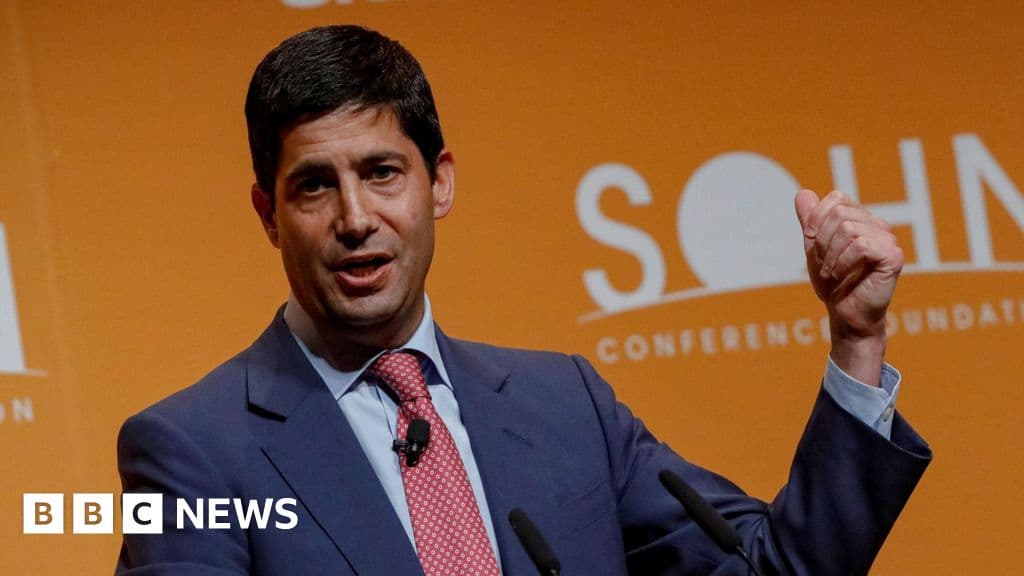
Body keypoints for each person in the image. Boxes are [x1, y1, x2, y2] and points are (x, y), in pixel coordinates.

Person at [116, 24, 931, 576]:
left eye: (382, 172)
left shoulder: (566, 405)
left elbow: (771, 567)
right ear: (269, 215)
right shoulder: (192, 452)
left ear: (439, 184)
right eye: (314, 187)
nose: (355, 219)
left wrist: (857, 343)